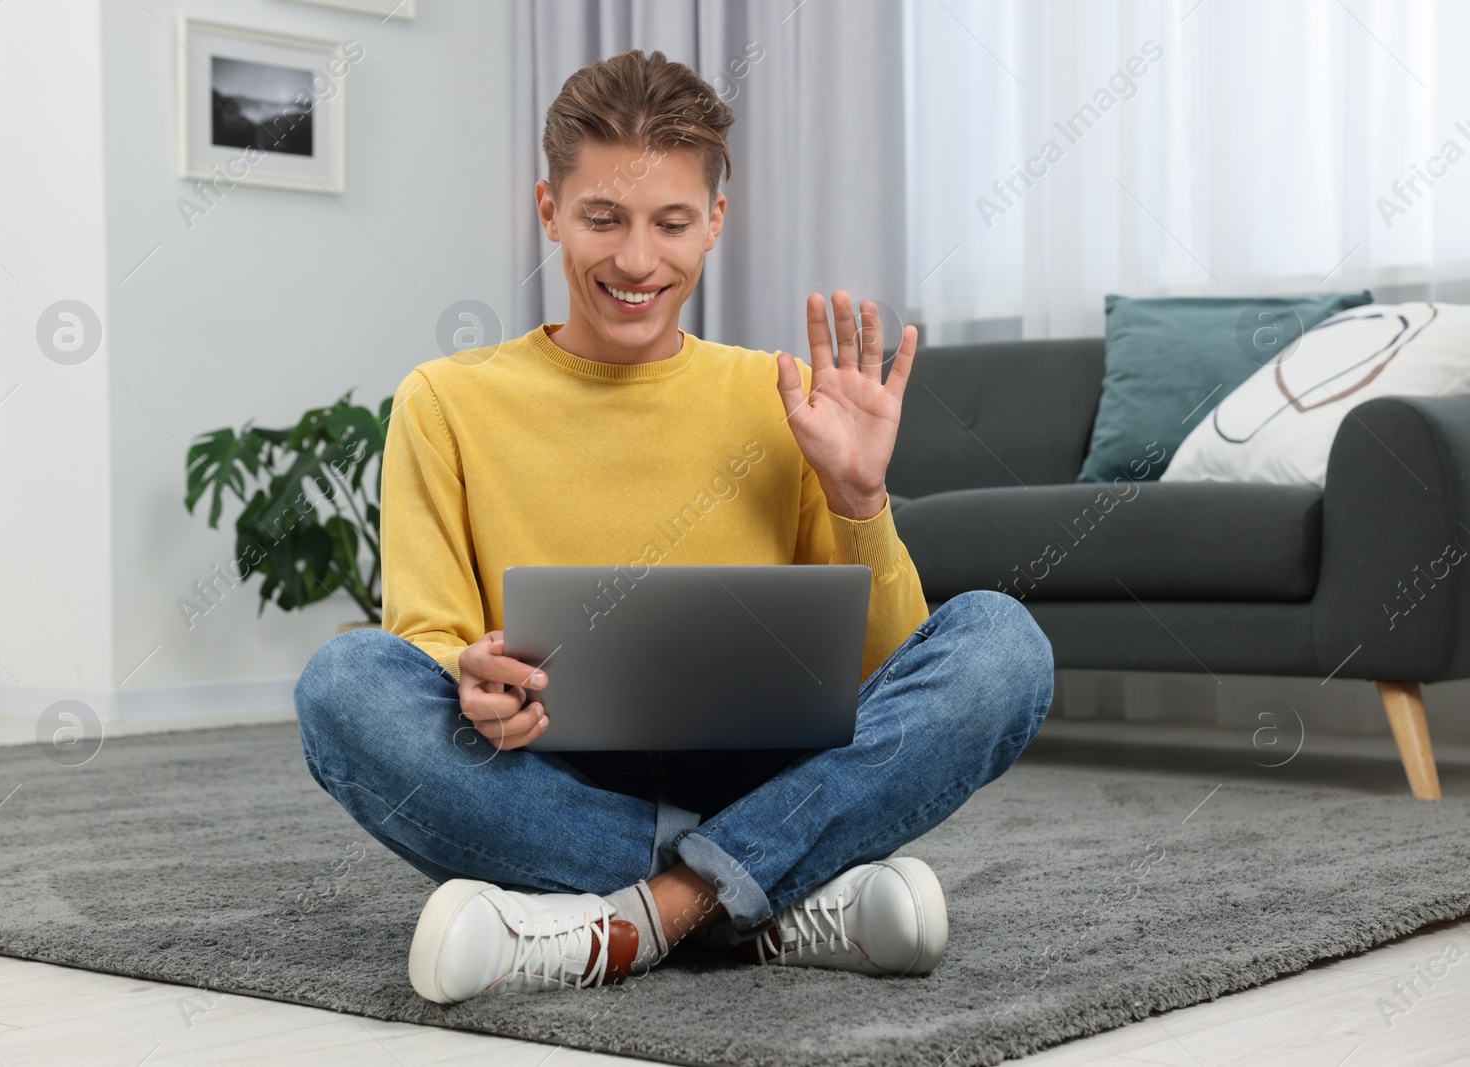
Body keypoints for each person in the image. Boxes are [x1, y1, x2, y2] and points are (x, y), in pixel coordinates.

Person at [294, 49, 1054, 1005]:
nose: (636, 260)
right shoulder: (444, 402)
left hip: (768, 763)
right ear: (548, 211)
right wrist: (474, 680)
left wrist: (861, 498)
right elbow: (431, 644)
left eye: (671, 223)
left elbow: (893, 664)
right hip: (552, 765)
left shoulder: (783, 398)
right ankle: (765, 901)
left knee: (1003, 645)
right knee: (344, 688)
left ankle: (628, 918)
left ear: (715, 225)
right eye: (602, 218)